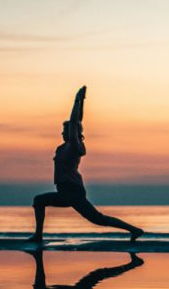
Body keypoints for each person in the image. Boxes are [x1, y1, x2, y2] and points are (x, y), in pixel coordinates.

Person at [28, 86, 144, 242]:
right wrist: (82, 101)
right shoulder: (62, 148)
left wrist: (76, 100)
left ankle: (134, 230)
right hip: (64, 193)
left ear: (72, 133)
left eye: (65, 131)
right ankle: (38, 236)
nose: (62, 133)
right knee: (39, 200)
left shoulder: (73, 147)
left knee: (98, 219)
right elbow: (77, 122)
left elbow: (75, 123)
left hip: (72, 192)